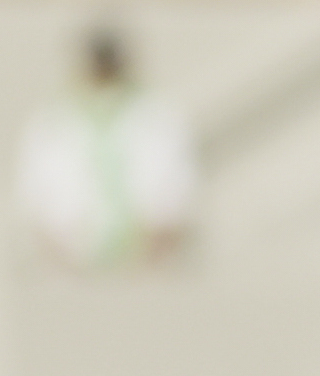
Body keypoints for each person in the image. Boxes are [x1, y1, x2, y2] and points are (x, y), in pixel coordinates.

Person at [15, 27, 200, 266]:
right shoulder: (55, 114)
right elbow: (35, 181)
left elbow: (178, 175)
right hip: (72, 248)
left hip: (146, 250)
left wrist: (164, 237)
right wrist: (51, 245)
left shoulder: (156, 110)